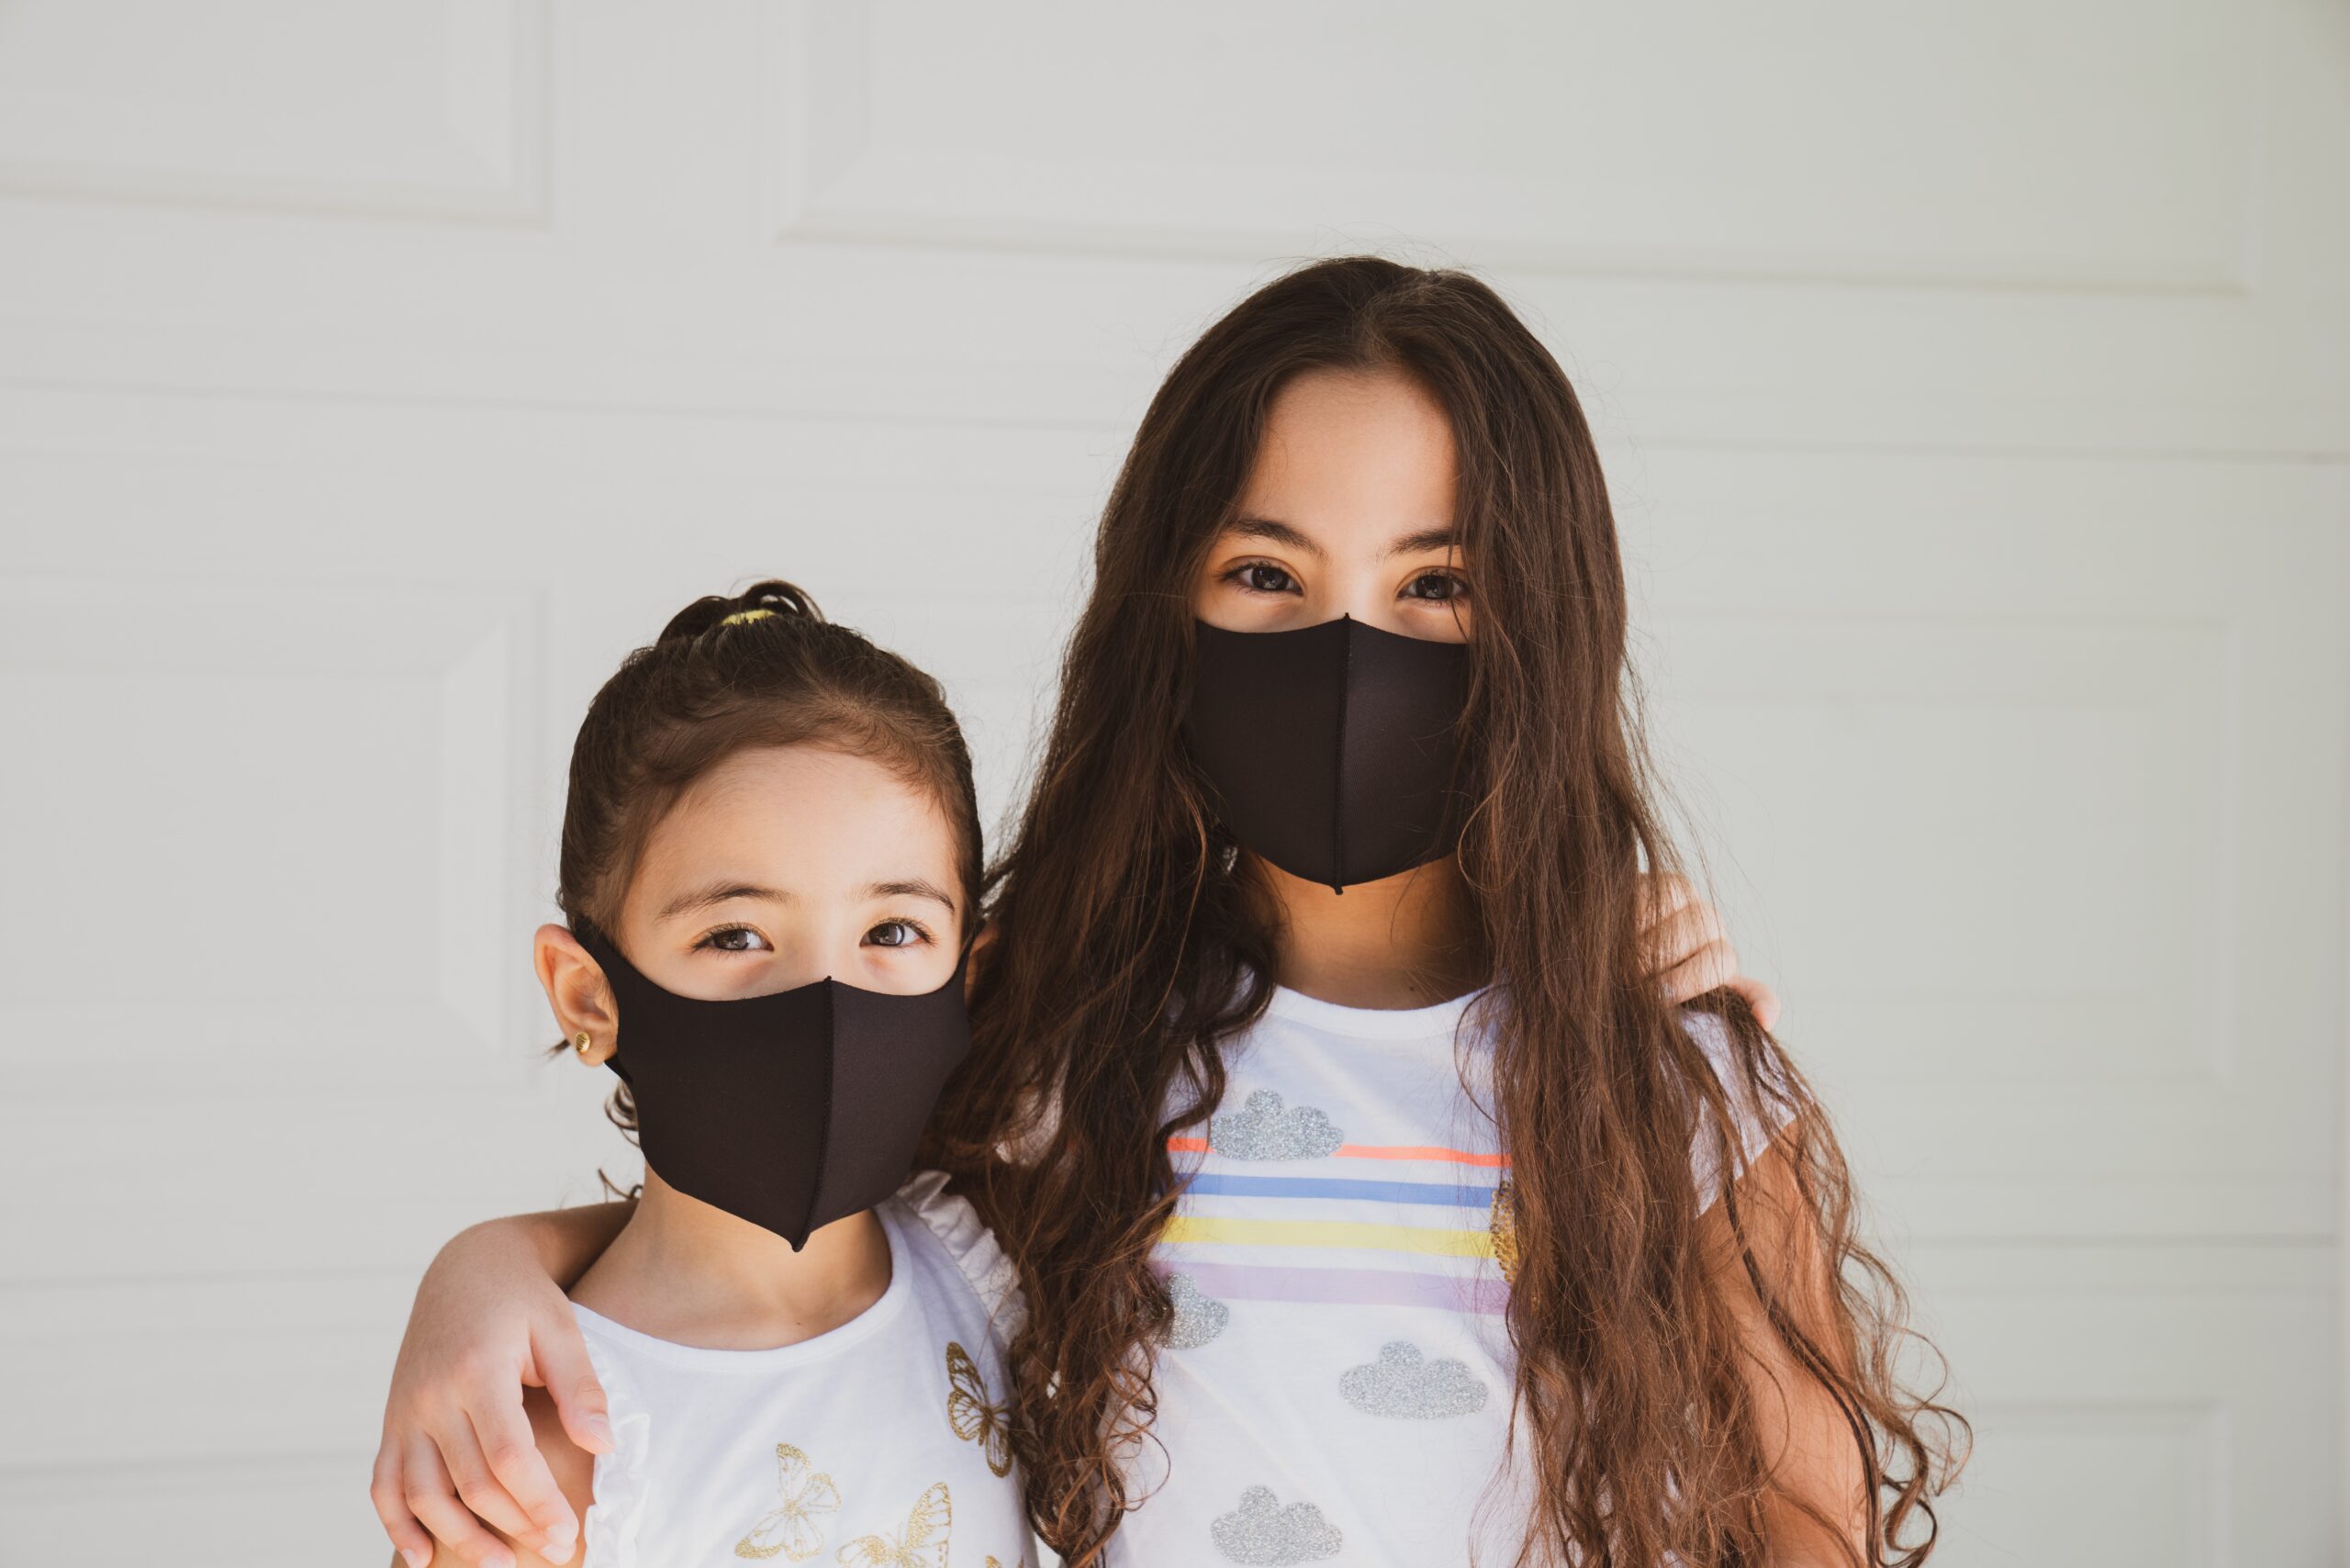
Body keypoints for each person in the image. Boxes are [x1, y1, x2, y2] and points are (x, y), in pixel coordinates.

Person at [375, 258, 1961, 1568]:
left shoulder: (1663, 1091)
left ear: (1540, 628)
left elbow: (1811, 1534)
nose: (1349, 646)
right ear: (1167, 607)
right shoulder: (1058, 1043)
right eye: (1269, 571)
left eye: (1437, 585)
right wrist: (485, 1269)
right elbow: (764, 1210)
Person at [393, 580, 1032, 1568]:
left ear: (968, 977)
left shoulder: (993, 1272)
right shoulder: (547, 1451)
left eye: (891, 931)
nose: (826, 998)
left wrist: (480, 1259)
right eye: (735, 934)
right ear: (587, 997)